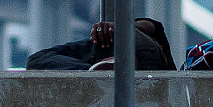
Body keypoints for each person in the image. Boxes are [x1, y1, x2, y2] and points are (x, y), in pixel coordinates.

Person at [26, 17, 176, 71]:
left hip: (129, 51)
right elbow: (155, 26)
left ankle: (95, 71)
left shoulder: (100, 43)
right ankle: (102, 70)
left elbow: (37, 60)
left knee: (35, 60)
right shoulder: (127, 31)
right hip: (156, 60)